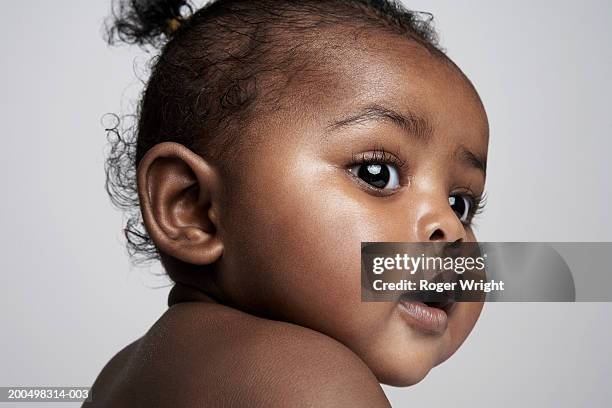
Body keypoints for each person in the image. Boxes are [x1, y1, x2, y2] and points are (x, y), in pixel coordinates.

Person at [86, 0, 489, 406]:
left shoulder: (121, 375)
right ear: (191, 207)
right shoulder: (314, 384)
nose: (450, 228)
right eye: (377, 174)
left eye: (460, 203)